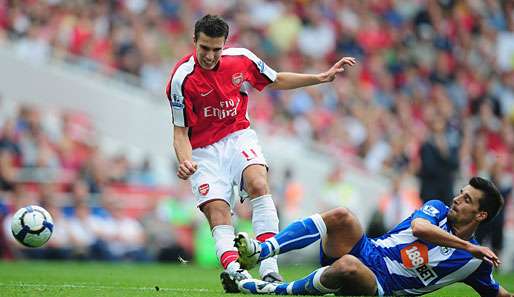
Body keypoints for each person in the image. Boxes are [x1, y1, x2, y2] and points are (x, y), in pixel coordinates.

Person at [165, 14, 356, 293]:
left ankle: (269, 268)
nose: (209, 55)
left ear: (224, 45)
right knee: (218, 213)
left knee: (258, 183)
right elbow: (180, 132)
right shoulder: (181, 80)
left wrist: (320, 77)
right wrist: (185, 160)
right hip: (203, 151)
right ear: (194, 41)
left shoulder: (241, 59)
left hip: (237, 136)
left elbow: (275, 79)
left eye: (216, 49)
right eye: (204, 48)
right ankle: (237, 274)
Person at [235, 177, 513, 296]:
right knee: (342, 215)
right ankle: (261, 252)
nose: (456, 199)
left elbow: (497, 293)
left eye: (466, 200)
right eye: (460, 193)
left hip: (381, 285)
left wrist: (472, 252)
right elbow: (419, 229)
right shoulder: (437, 209)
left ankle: (270, 288)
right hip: (367, 248)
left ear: (480, 215)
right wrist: (468, 246)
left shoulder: (475, 263)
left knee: (347, 265)